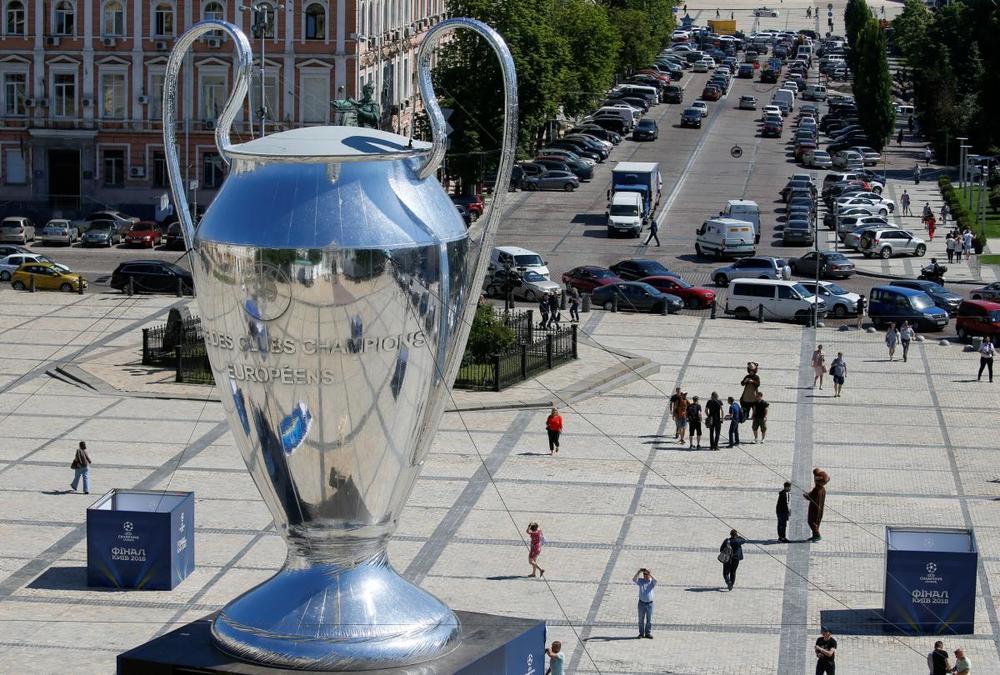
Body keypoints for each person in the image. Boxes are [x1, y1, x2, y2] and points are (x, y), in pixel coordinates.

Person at [805, 468, 830, 542]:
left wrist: (806, 495)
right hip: (820, 508)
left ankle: (817, 535)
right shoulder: (822, 489)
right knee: (817, 521)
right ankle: (814, 535)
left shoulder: (816, 490)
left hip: (814, 508)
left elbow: (810, 497)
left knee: (811, 521)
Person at [632, 567, 656, 638]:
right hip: (641, 603)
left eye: (646, 574)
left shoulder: (651, 582)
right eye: (644, 574)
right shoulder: (641, 581)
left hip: (650, 604)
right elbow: (634, 579)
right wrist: (638, 572)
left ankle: (648, 633)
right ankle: (641, 634)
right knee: (641, 620)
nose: (645, 575)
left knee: (649, 620)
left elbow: (656, 580)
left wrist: (650, 574)